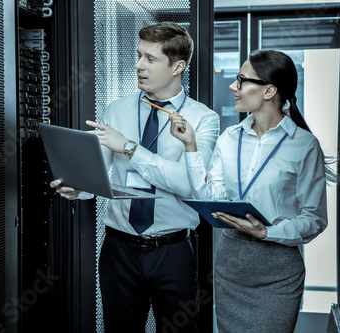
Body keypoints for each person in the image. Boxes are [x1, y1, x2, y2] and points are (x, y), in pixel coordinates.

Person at [50, 22, 219, 332]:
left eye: (150, 59)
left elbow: (187, 184)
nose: (139, 65)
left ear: (177, 66)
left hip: (172, 252)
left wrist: (129, 148)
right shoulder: (116, 111)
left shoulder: (203, 119)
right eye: (138, 55)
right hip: (118, 251)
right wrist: (79, 187)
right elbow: (97, 173)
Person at [170, 49, 331, 333]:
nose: (234, 87)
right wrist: (190, 147)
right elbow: (211, 195)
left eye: (242, 80)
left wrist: (267, 232)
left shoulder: (304, 145)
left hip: (278, 272)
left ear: (269, 90)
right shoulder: (229, 138)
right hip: (232, 265)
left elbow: (314, 219)